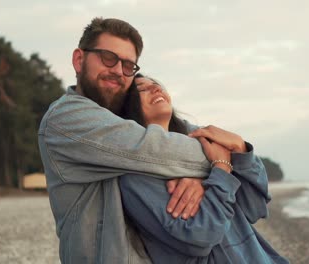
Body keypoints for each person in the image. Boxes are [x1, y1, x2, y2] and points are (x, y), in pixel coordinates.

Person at [38, 17, 214, 264]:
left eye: (129, 65)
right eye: (108, 57)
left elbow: (240, 154)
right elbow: (158, 150)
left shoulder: (128, 117)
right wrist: (221, 163)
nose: (118, 70)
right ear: (79, 60)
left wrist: (201, 175)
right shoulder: (66, 119)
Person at [119, 74, 290, 264]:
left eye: (157, 84)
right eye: (142, 89)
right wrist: (220, 171)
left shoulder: (204, 147)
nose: (156, 89)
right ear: (127, 106)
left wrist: (240, 148)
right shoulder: (135, 177)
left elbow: (255, 207)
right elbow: (201, 237)